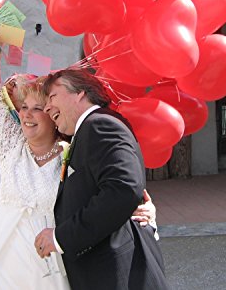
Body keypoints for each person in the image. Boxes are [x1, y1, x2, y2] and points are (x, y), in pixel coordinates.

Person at [0, 8, 158, 289]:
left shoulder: (73, 153)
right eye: (23, 108)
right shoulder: (10, 147)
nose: (28, 115)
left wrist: (146, 208)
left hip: (56, 258)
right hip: (6, 253)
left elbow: (115, 188)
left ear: (51, 114)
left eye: (38, 108)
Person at [35, 68, 169, 290]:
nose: (47, 107)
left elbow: (123, 189)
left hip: (119, 273)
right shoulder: (87, 130)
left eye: (52, 97)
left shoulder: (99, 125)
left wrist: (61, 238)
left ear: (80, 93)